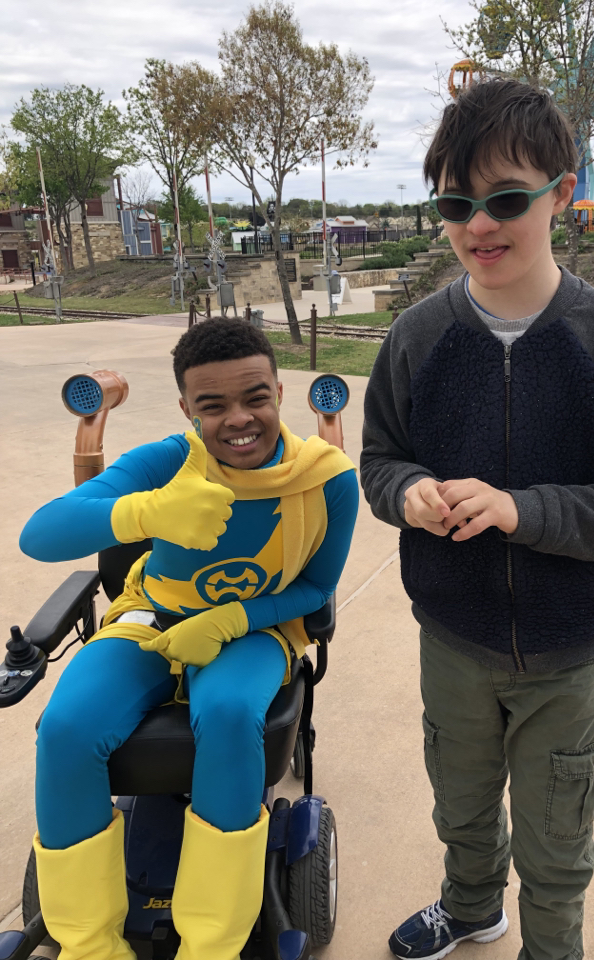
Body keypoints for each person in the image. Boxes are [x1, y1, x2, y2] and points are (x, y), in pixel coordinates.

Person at [360, 78, 594, 960]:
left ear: (564, 193)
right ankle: (471, 907)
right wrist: (408, 494)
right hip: (452, 640)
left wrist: (521, 511)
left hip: (568, 655)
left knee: (556, 841)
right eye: (455, 203)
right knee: (459, 803)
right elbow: (379, 462)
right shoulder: (417, 337)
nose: (478, 225)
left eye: (506, 198)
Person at [20, 318, 358, 960]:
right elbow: (40, 535)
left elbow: (316, 588)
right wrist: (143, 511)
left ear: (279, 393)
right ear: (185, 408)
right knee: (65, 726)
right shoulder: (169, 462)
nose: (239, 419)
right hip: (153, 617)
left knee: (229, 715)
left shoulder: (328, 478)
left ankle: (212, 944)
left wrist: (232, 619)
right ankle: (90, 945)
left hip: (252, 628)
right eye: (213, 405)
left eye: (255, 396)